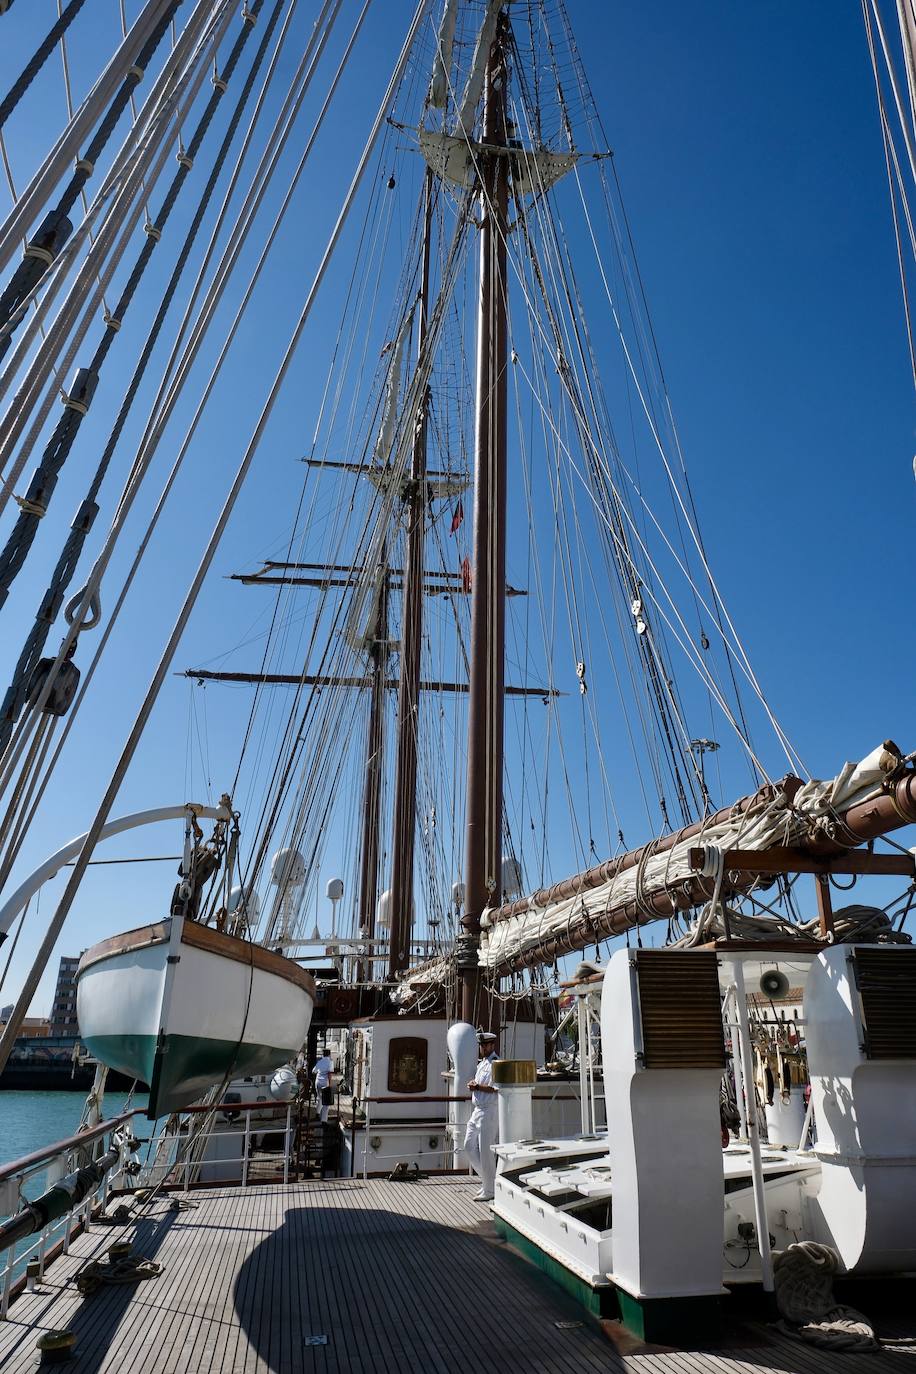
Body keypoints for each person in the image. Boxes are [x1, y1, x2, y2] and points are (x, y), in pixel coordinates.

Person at [464, 1030, 499, 1201]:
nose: (482, 1048)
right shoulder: (482, 1064)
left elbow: (495, 1088)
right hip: (477, 1110)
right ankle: (488, 1182)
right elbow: (480, 1084)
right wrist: (474, 1084)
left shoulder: (495, 1064)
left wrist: (476, 1087)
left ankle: (490, 1190)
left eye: (485, 1045)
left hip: (488, 1110)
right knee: (468, 1146)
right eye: (481, 1045)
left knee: (486, 1152)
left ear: (492, 1045)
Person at [312, 1050, 334, 1124]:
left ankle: (317, 1113)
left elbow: (313, 1071)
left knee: (320, 1098)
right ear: (329, 1054)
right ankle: (324, 1120)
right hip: (325, 1082)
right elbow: (329, 1073)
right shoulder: (330, 1062)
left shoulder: (320, 1061)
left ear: (323, 1054)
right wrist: (330, 1084)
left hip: (318, 1082)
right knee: (326, 1103)